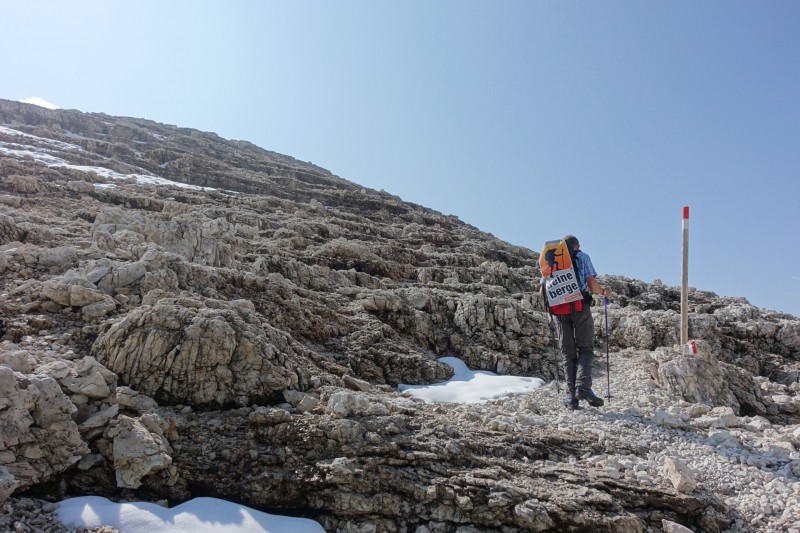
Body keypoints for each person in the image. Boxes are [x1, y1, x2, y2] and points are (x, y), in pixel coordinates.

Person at [551, 235, 611, 410]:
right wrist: (604, 292)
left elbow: (542, 289)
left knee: (567, 353)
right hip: (580, 307)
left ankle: (571, 397)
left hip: (560, 311)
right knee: (585, 348)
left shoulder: (550, 258)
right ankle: (583, 387)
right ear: (578, 246)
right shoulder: (582, 256)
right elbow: (592, 285)